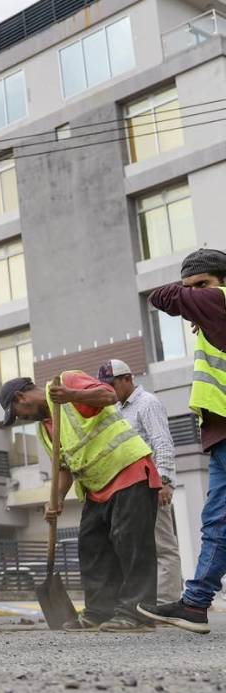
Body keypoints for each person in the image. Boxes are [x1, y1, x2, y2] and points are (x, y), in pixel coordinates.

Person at [0, 372, 160, 632]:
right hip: (97, 487)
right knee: (91, 547)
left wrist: (72, 395)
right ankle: (99, 611)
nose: (21, 418)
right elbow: (63, 467)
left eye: (18, 412)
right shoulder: (44, 429)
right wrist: (57, 499)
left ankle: (138, 614)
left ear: (21, 397)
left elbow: (109, 395)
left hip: (127, 469)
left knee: (132, 544)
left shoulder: (67, 382)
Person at [139, 247, 226, 633]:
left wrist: (192, 299)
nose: (195, 294)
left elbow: (162, 296)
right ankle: (195, 603)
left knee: (218, 521)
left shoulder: (218, 300)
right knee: (218, 521)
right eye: (191, 287)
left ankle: (195, 603)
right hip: (221, 433)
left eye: (201, 284)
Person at [97, 359, 182, 603]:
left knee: (162, 545)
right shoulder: (117, 409)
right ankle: (147, 602)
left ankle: (166, 603)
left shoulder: (147, 403)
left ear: (128, 379)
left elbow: (162, 442)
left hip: (153, 485)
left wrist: (165, 481)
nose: (109, 390)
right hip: (131, 489)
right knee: (139, 547)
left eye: (112, 384)